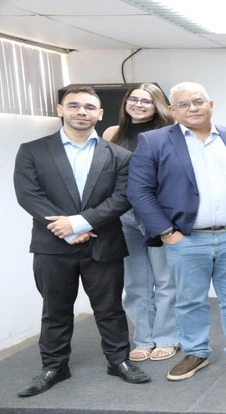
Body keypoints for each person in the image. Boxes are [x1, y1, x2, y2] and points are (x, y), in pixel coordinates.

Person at [127, 81, 226, 381]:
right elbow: (139, 191)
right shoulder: (154, 141)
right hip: (186, 239)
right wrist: (167, 232)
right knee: (189, 299)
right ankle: (195, 351)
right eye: (183, 104)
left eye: (198, 101)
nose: (192, 108)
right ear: (171, 109)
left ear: (211, 104)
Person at [14, 85, 150, 397]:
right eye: (73, 105)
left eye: (89, 107)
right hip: (52, 246)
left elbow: (122, 198)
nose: (81, 112)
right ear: (60, 110)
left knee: (110, 308)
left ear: (100, 114)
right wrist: (67, 228)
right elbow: (29, 196)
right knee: (55, 309)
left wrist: (80, 223)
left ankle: (119, 361)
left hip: (103, 242)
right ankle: (54, 366)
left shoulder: (119, 156)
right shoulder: (32, 150)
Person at [103, 83, 177, 362]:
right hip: (124, 217)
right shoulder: (112, 133)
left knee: (165, 281)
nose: (138, 104)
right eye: (133, 99)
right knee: (136, 282)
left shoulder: (168, 133)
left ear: (157, 104)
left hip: (158, 216)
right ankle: (144, 339)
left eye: (146, 100)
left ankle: (168, 337)